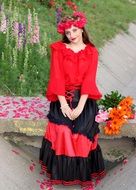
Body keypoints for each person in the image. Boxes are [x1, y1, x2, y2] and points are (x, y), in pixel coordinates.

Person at [39, 11, 106, 188]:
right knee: (63, 131)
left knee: (81, 133)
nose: (72, 35)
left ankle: (82, 175)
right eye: (68, 32)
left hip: (84, 99)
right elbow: (56, 77)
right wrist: (63, 105)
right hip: (62, 98)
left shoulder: (92, 52)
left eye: (75, 30)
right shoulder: (59, 49)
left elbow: (89, 80)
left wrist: (79, 108)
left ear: (82, 29)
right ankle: (62, 173)